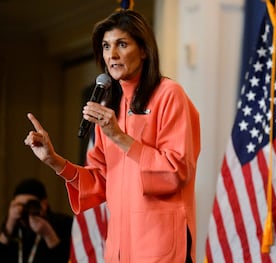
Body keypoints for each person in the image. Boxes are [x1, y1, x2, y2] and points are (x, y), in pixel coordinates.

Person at [24, 9, 200, 263]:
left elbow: (176, 172)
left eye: (122, 44)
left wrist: (119, 137)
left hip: (162, 248)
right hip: (119, 249)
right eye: (106, 46)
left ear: (143, 50)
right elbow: (101, 181)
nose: (112, 55)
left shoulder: (169, 95)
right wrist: (55, 161)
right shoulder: (110, 104)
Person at [0, 178, 73, 263]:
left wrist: (48, 234)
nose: (24, 209)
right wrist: (10, 224)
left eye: (30, 204)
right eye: (19, 205)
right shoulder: (12, 225)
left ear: (44, 204)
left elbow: (66, 259)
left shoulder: (63, 223)